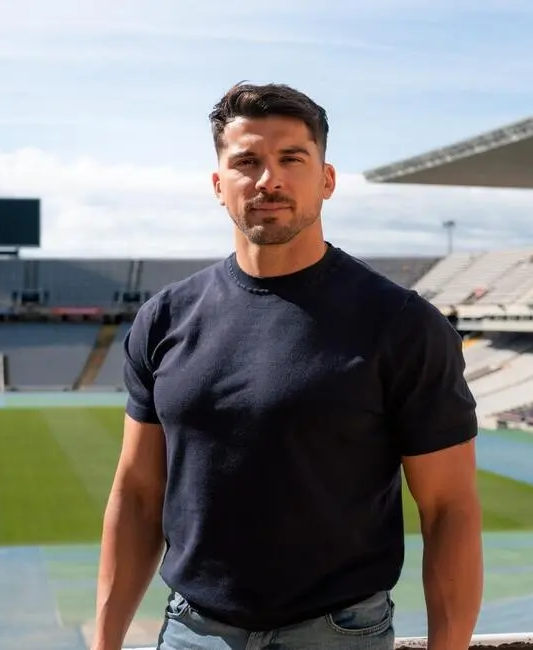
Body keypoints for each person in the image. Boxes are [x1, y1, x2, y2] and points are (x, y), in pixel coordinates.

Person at [91, 81, 484, 650]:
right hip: (193, 633)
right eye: (246, 162)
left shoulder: (401, 323)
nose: (267, 179)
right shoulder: (165, 319)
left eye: (290, 159)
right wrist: (105, 643)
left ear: (326, 179)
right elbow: (137, 493)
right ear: (218, 184)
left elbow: (449, 507)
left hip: (338, 634)